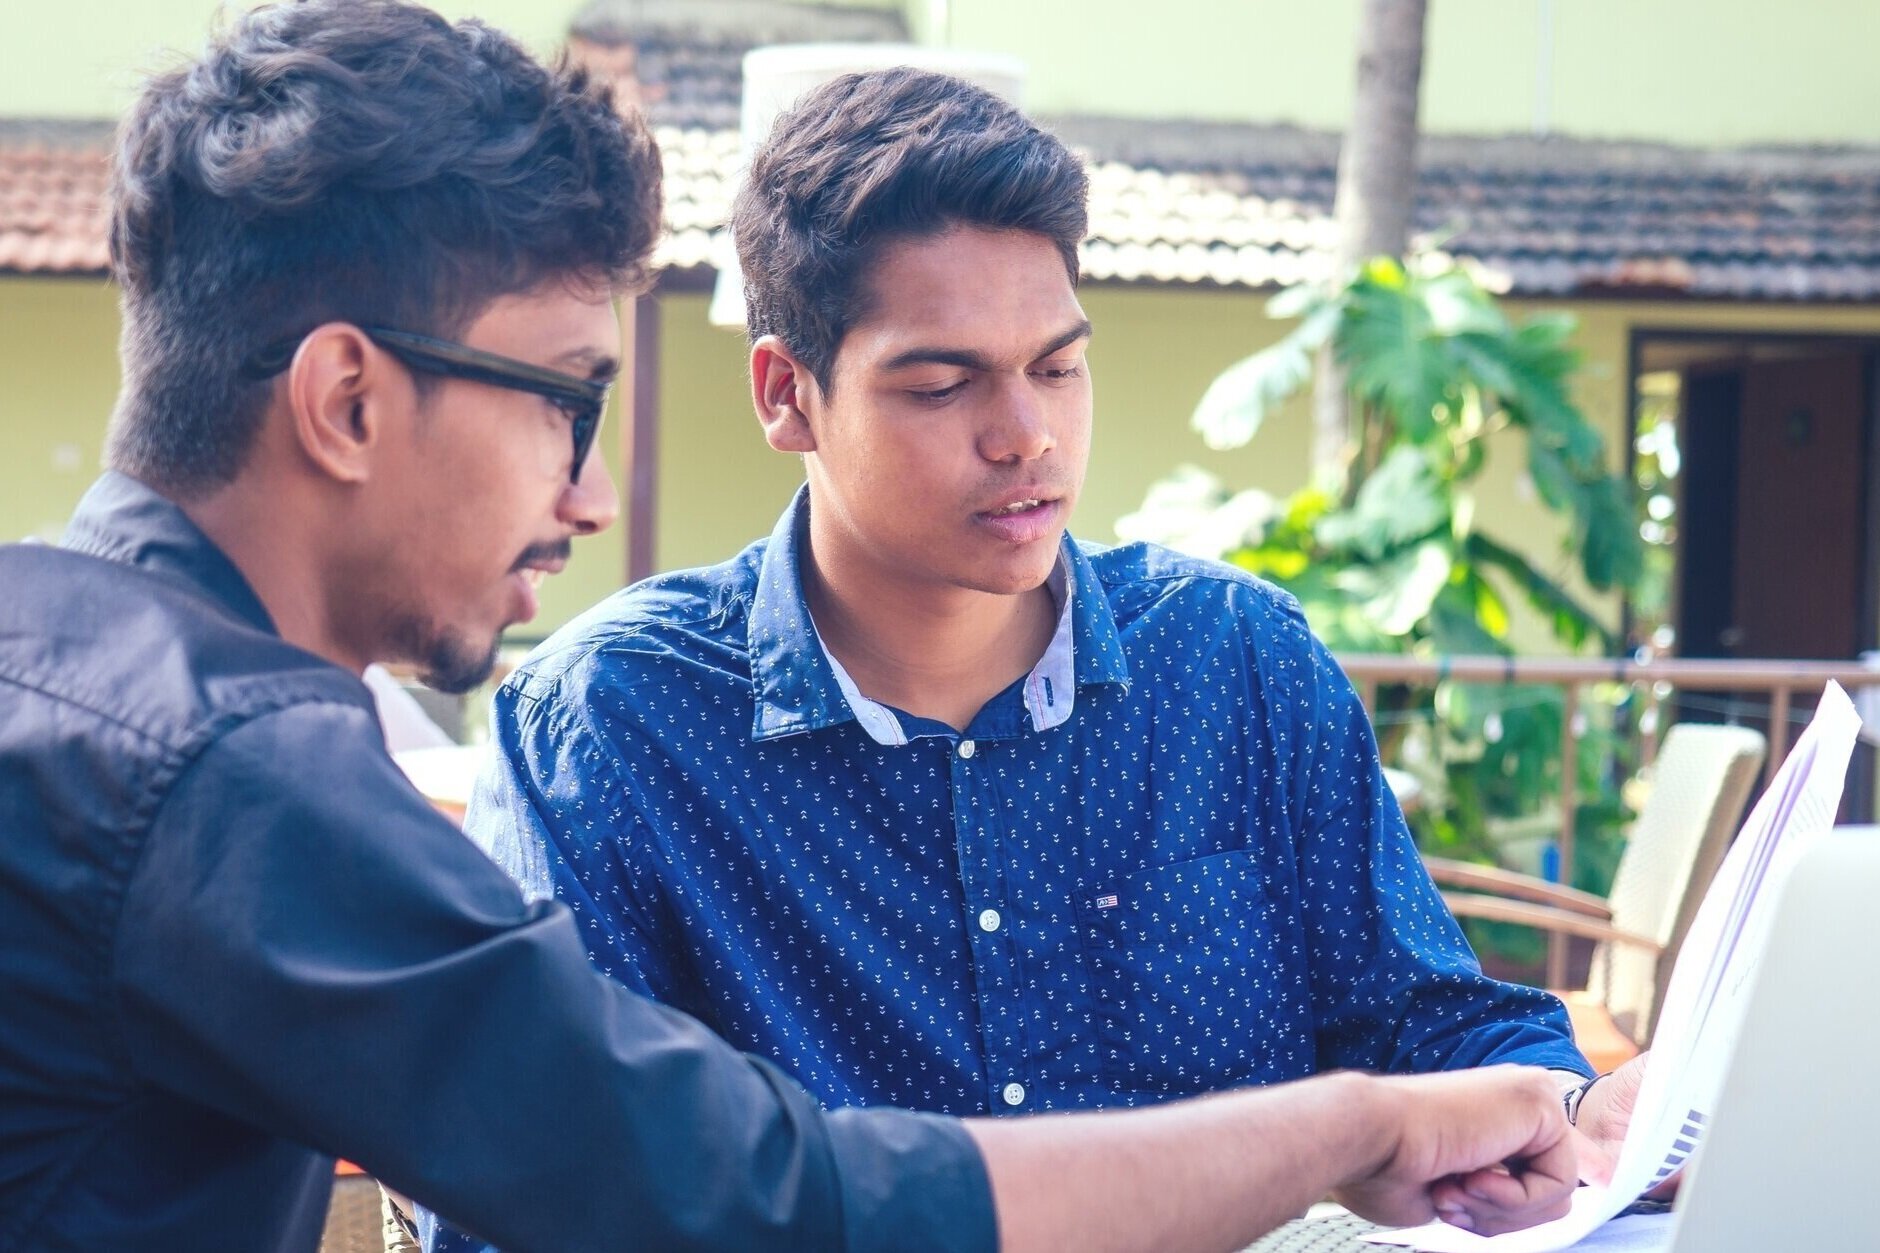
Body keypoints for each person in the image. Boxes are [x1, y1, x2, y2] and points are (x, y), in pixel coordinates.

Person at [0, 3, 1597, 1251]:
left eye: (1059, 366)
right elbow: (733, 1198)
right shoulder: (235, 779)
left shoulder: (69, 682)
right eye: (567, 401)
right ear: (348, 400)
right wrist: (1346, 1129)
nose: (589, 495)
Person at [459, 65, 1650, 1225]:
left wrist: (1574, 1107)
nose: (1025, 434)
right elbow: (548, 1191)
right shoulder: (611, 726)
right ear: (785, 393)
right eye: (942, 384)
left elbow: (1417, 1017)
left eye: (1058, 366)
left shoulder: (1233, 660)